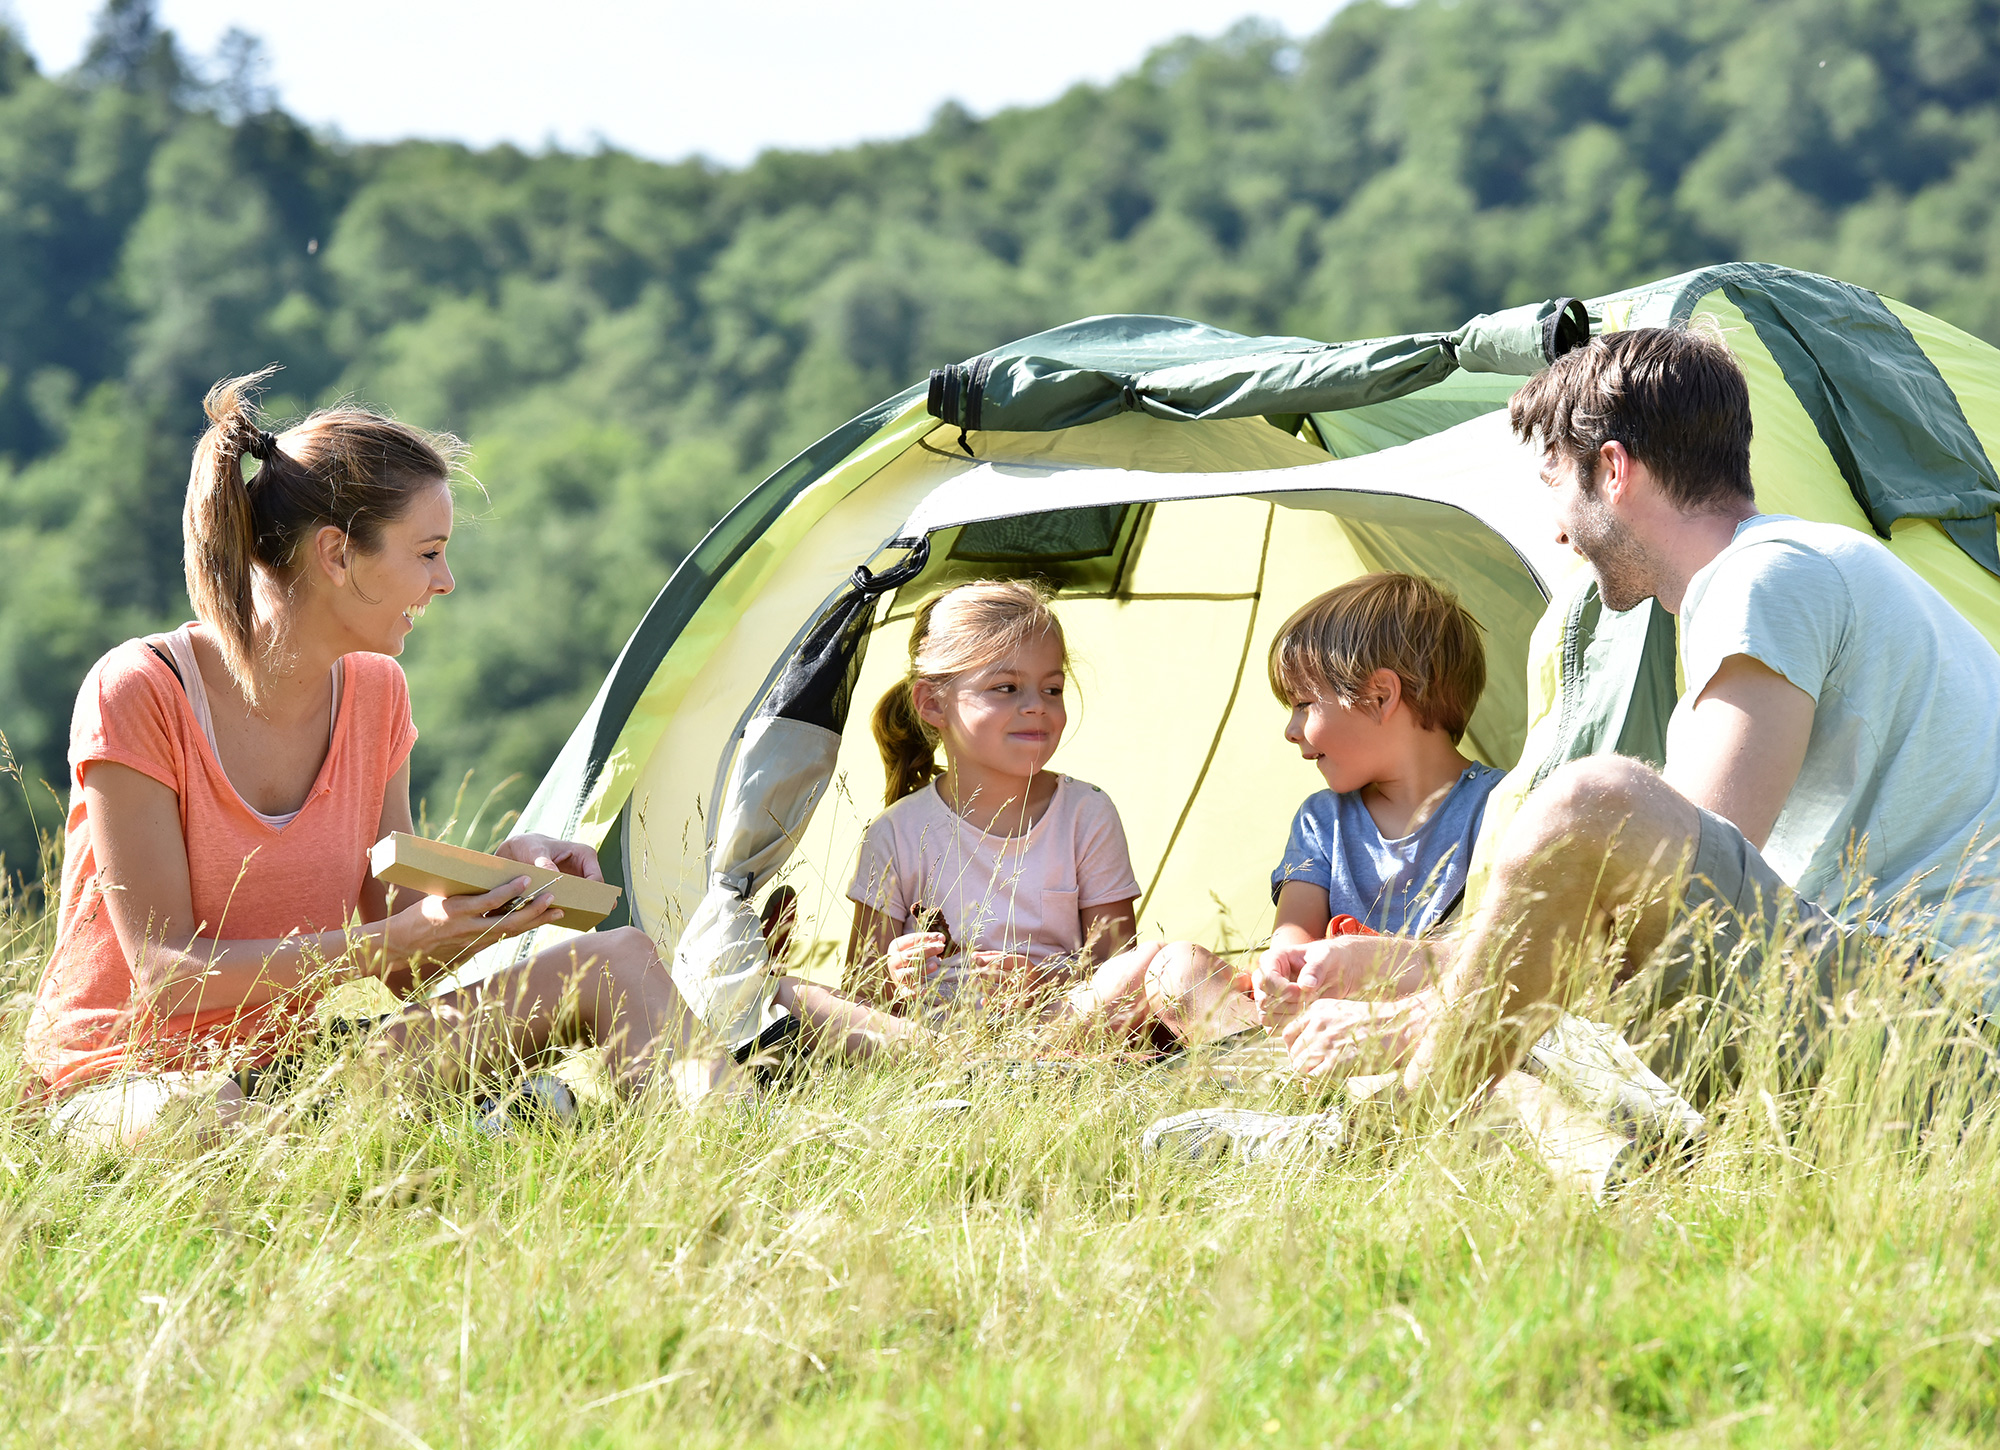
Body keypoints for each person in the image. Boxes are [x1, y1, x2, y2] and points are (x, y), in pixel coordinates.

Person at [1268, 326, 2000, 1097]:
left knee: (1593, 801)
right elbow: (1642, 918)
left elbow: (1667, 895)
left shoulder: (1767, 578)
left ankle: (1402, 1123)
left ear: (1612, 469)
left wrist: (1428, 1007)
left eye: (1554, 484)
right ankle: (1378, 1129)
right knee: (1534, 1052)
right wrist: (1412, 963)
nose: (1555, 531)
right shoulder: (1793, 573)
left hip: (1939, 1017)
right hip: (1878, 1000)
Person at [24, 370, 732, 1148]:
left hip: (297, 1071)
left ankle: (715, 1179)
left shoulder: (375, 694)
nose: (445, 581)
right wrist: (391, 942)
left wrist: (496, 890)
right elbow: (168, 973)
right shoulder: (139, 691)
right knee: (209, 1120)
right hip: (131, 1082)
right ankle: (467, 1133)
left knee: (619, 960)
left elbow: (400, 964)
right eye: (427, 553)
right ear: (336, 554)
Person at [846, 580, 1168, 1030]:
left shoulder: (1086, 813)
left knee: (1166, 962)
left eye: (1052, 689)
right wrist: (896, 974)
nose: (1037, 706)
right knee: (796, 996)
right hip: (933, 1045)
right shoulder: (895, 833)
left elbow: (1118, 974)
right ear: (933, 703)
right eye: (1006, 687)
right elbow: (862, 996)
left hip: (1059, 1030)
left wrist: (1039, 987)